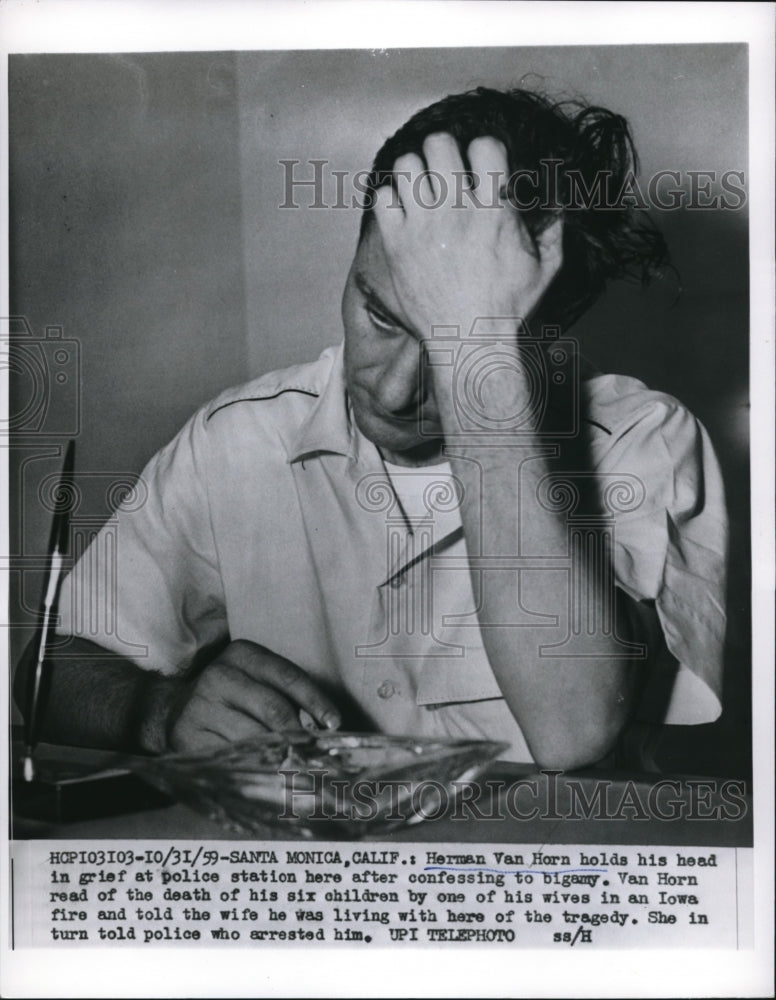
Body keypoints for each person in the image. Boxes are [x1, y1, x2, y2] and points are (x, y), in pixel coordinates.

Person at [16, 86, 727, 769]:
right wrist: (155, 710)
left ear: (554, 335)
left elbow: (574, 733)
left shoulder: (643, 440)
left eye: (451, 346)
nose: (392, 389)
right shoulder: (238, 439)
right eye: (381, 315)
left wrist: (476, 352)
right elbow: (47, 669)